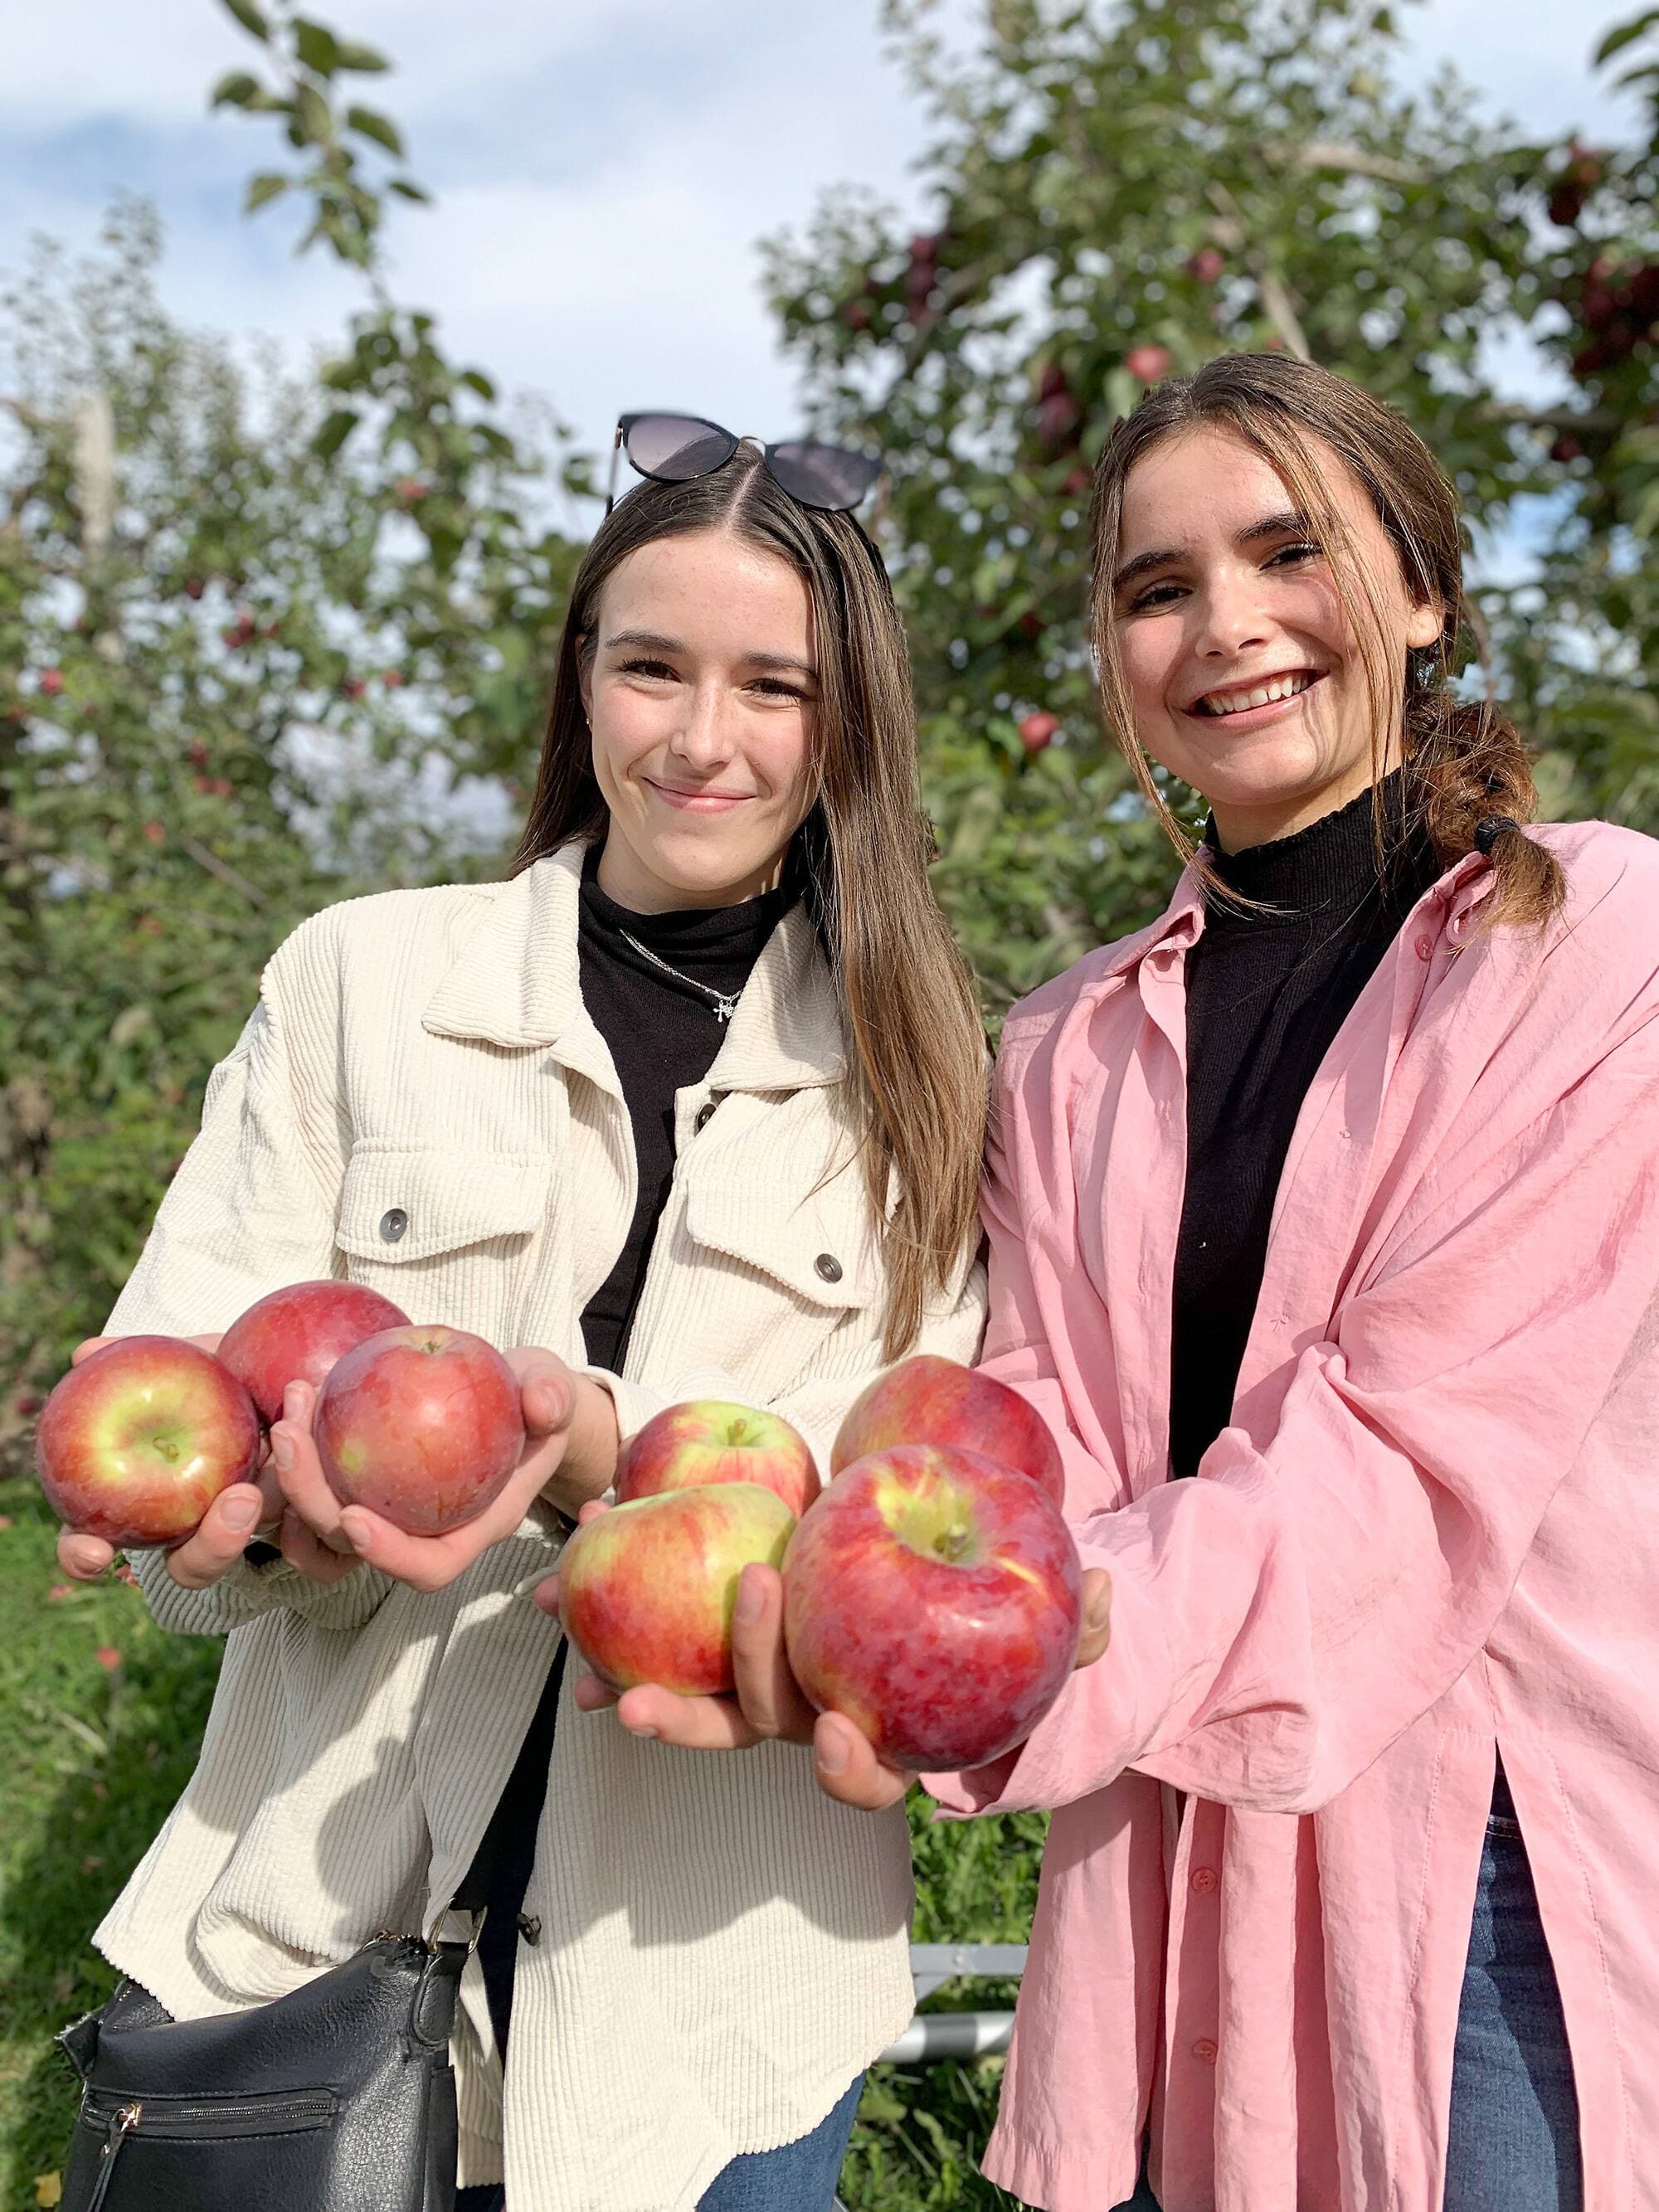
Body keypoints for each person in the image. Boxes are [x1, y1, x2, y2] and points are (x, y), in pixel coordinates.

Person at [625, 356, 1659, 2212]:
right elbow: (1021, 1439)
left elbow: (1405, 1452)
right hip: (1172, 1834)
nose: (1226, 625)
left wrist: (1014, 1639)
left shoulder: (1589, 947)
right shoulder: (1069, 1046)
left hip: (1480, 1834)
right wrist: (844, 1593)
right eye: (1156, 586)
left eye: (1289, 553)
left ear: (1422, 591)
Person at [53, 431, 995, 2210]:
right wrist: (247, 1528)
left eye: (773, 685)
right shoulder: (365, 981)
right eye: (651, 664)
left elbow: (896, 1544)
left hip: (713, 2002)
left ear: (848, 720)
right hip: (312, 1946)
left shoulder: (932, 1093)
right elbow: (179, 1474)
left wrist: (589, 1460)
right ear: (581, 678)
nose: (701, 738)